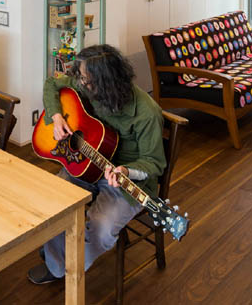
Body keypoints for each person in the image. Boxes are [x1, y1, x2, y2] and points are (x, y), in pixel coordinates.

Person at [27, 44, 166, 284]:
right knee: (52, 199)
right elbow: (52, 84)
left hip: (127, 183)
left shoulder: (147, 113)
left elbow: (154, 163)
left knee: (102, 228)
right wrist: (56, 116)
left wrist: (126, 170)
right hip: (86, 165)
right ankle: (56, 255)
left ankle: (62, 266)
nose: (81, 83)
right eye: (80, 77)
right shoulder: (87, 84)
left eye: (86, 80)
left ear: (106, 84)